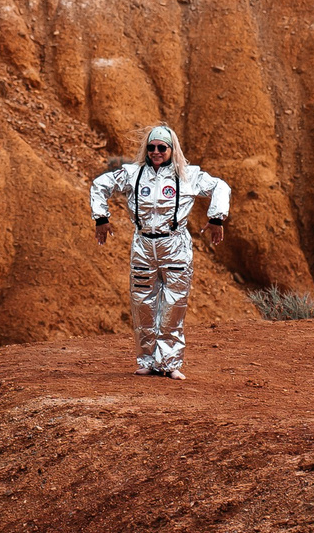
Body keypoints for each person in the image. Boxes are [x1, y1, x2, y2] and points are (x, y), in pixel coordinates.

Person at [91, 125, 230, 380]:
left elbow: (220, 187)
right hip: (143, 245)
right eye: (151, 147)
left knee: (173, 305)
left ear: (171, 149)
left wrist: (216, 218)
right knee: (143, 304)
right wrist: (101, 218)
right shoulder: (133, 174)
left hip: (175, 246)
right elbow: (100, 184)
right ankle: (146, 359)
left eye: (161, 148)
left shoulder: (189, 175)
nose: (156, 152)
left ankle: (169, 363)